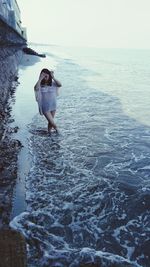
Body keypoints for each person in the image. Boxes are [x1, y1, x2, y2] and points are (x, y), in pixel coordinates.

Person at [34, 68, 62, 133]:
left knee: (51, 121)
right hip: (45, 107)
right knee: (52, 121)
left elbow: (60, 84)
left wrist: (53, 77)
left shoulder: (53, 83)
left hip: (53, 105)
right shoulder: (40, 84)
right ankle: (58, 131)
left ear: (49, 75)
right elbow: (36, 88)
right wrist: (40, 79)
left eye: (46, 75)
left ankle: (49, 133)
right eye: (43, 75)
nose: (45, 76)